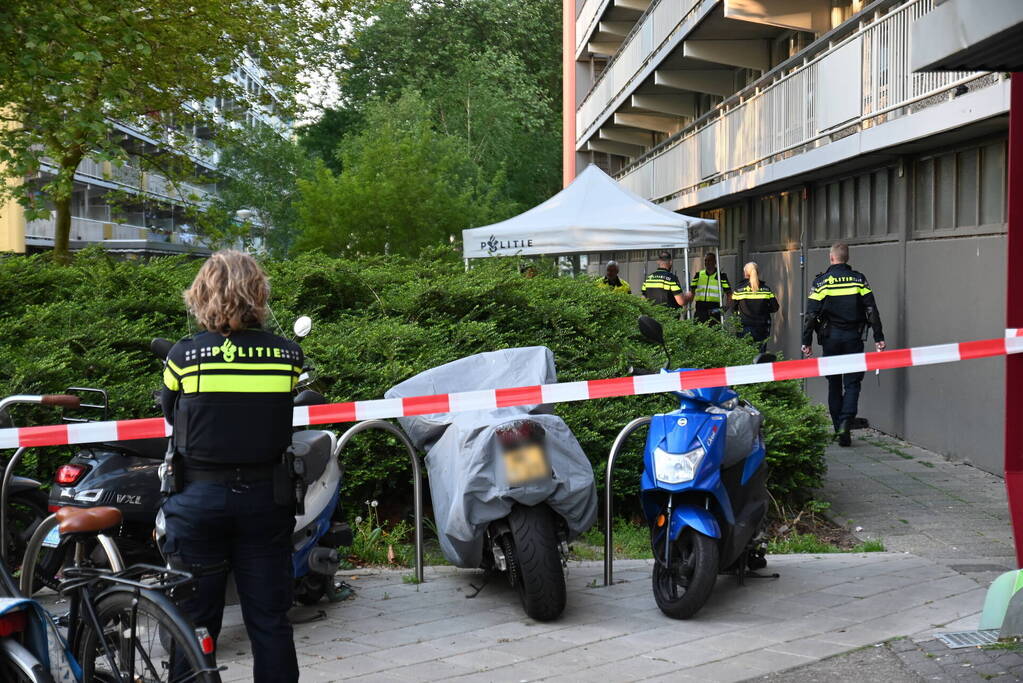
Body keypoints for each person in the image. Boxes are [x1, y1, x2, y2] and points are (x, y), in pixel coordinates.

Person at [160, 250, 302, 683]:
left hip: (198, 499)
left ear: (201, 295)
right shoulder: (287, 356)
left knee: (193, 623)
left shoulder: (184, 357)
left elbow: (170, 413)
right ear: (258, 294)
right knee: (270, 619)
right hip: (266, 498)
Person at [801, 242, 885, 447]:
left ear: (831, 258)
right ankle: (846, 421)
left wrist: (806, 341)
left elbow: (811, 314)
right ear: (847, 258)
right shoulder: (859, 279)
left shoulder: (822, 282)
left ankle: (839, 425)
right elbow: (871, 309)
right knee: (853, 382)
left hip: (830, 339)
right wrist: (878, 337)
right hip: (853, 338)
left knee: (834, 383)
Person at [732, 262, 779, 352]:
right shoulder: (766, 289)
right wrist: (764, 310)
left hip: (744, 326)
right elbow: (775, 307)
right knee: (760, 354)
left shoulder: (739, 290)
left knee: (744, 354)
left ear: (745, 273)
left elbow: (733, 308)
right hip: (762, 327)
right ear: (758, 272)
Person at [686, 252, 731, 324]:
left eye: (709, 260)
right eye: (705, 260)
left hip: (714, 310)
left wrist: (726, 307)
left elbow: (729, 293)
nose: (707, 262)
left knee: (714, 330)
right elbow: (692, 292)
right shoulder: (698, 275)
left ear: (715, 262)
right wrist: (687, 308)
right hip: (700, 310)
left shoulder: (721, 276)